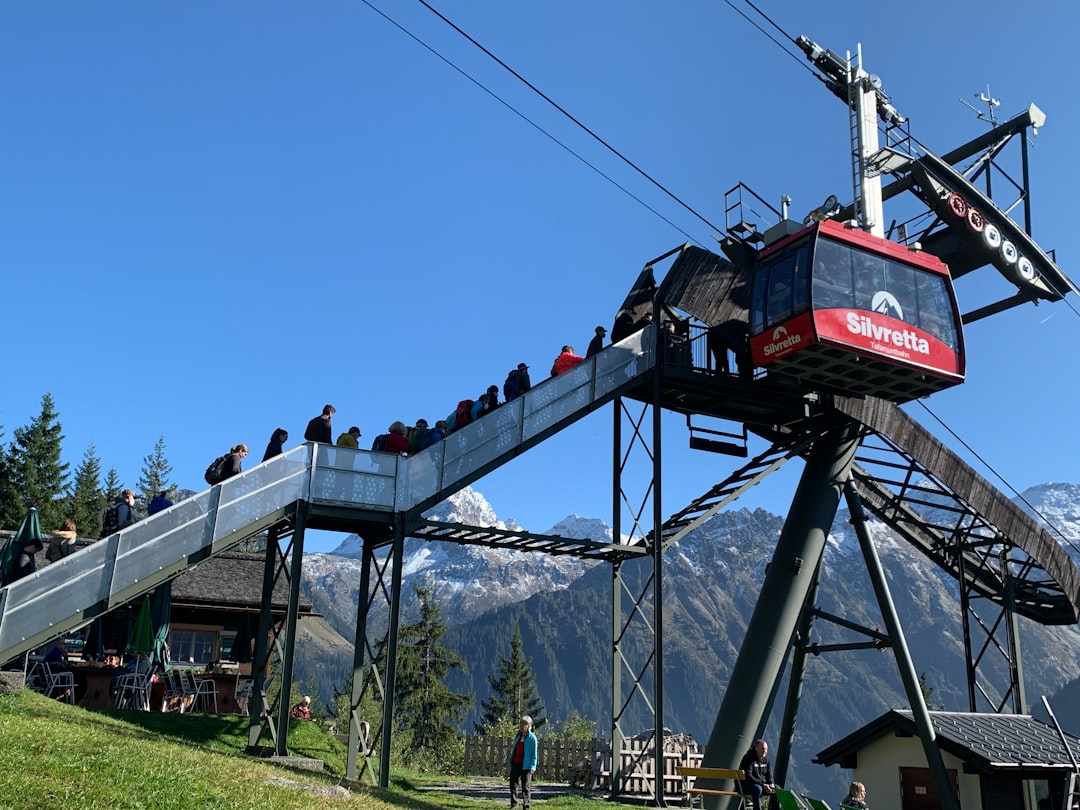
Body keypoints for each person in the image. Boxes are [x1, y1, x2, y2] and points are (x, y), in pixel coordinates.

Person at [507, 715, 538, 810]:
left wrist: (532, 767)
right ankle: (514, 803)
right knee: (513, 784)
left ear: (529, 725)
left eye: (524, 723)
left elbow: (534, 754)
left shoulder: (532, 738)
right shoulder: (518, 736)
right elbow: (514, 748)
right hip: (516, 763)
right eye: (520, 723)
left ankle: (526, 806)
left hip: (526, 766)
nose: (521, 725)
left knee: (525, 787)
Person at [738, 739, 777, 810]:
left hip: (761, 785)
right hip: (746, 785)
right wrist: (762, 785)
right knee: (758, 789)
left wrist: (771, 784)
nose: (764, 751)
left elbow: (769, 774)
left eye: (766, 749)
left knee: (777, 790)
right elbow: (748, 776)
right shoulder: (748, 758)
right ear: (756, 748)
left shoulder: (766, 760)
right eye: (762, 749)